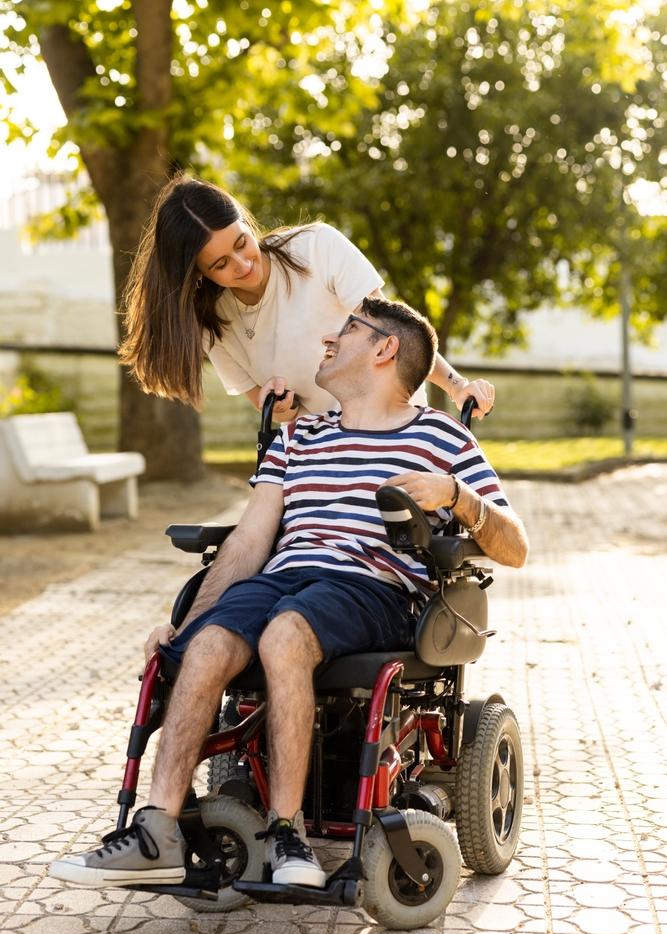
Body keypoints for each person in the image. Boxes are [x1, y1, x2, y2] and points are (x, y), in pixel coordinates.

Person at [50, 297, 527, 891]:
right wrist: (190, 622)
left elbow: (515, 546)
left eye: (348, 330)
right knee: (208, 645)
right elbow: (250, 541)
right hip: (281, 578)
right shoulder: (298, 435)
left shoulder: (441, 438)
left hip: (370, 586)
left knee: (285, 634)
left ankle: (285, 832)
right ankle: (156, 832)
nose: (329, 339)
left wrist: (458, 495)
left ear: (385, 349)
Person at [119, 175, 495, 423]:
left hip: (390, 432)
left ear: (247, 225)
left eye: (241, 243)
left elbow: (395, 335)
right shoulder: (213, 321)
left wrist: (458, 385)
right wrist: (279, 405)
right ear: (199, 274)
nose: (242, 264)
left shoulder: (317, 248)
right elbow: (273, 411)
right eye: (220, 264)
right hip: (319, 455)